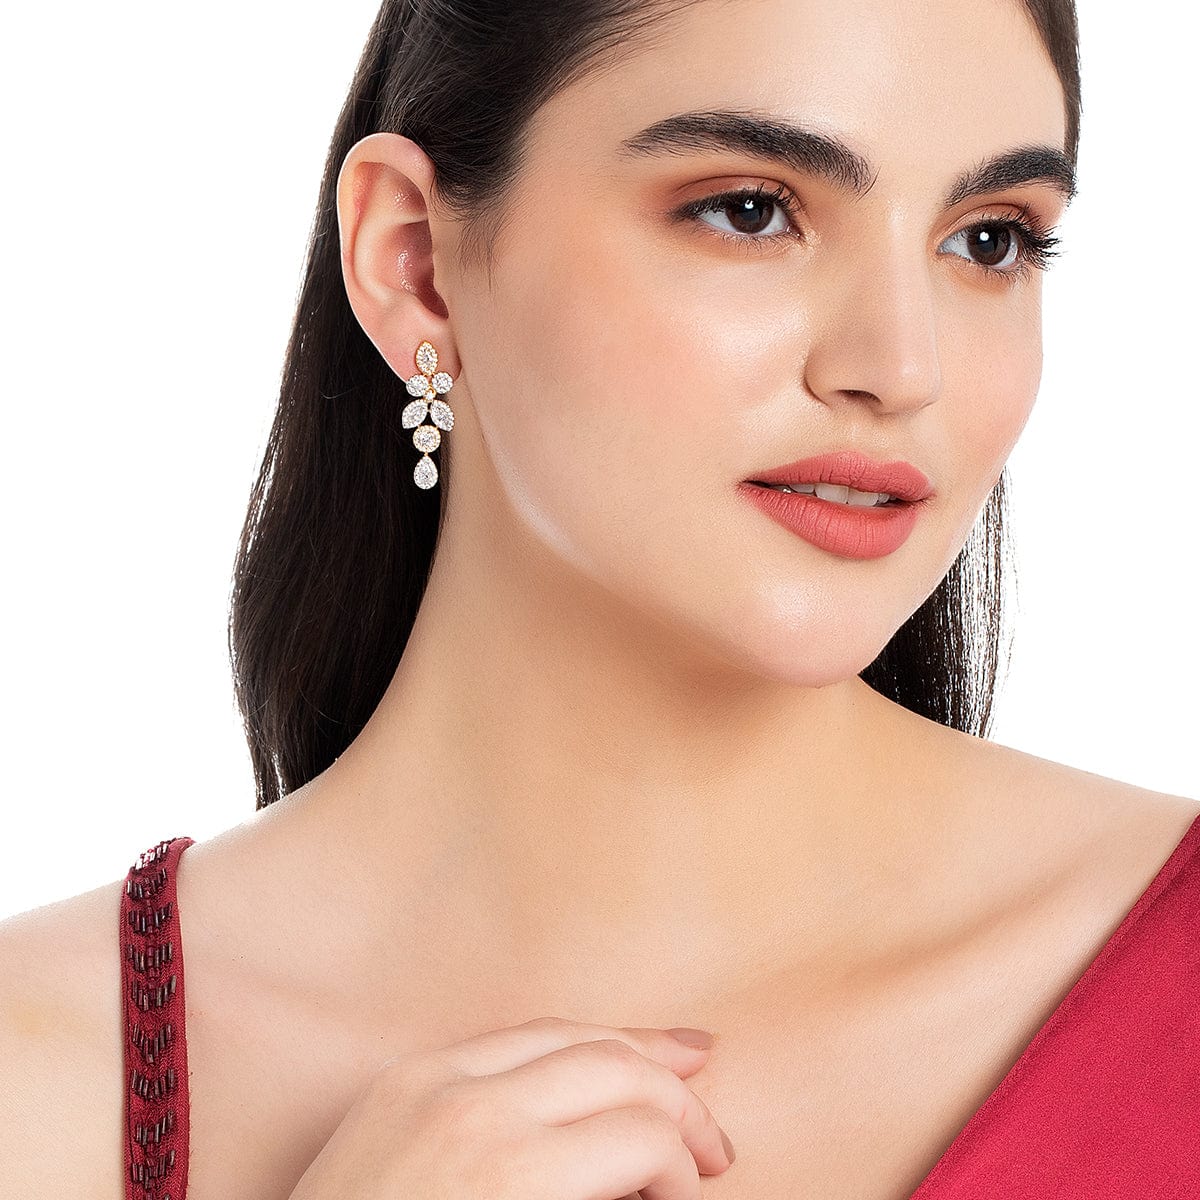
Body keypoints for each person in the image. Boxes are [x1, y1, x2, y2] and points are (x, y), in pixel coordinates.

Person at [2, 0, 1197, 1196]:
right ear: (416, 263)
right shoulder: (36, 1080)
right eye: (750, 211)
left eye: (990, 240)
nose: (901, 368)